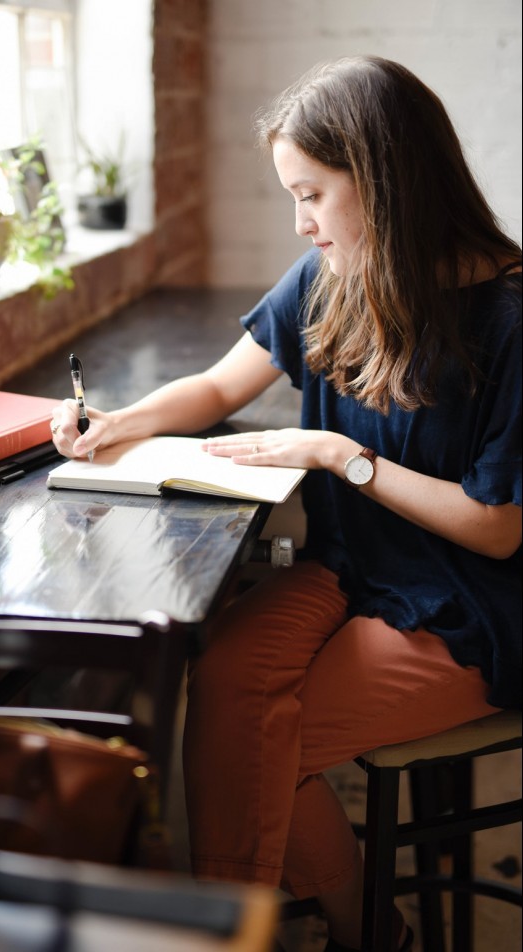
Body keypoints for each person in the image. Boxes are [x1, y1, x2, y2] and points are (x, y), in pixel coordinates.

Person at [51, 56, 521, 952]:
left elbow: (499, 531)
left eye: (311, 193)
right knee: (224, 674)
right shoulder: (333, 275)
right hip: (353, 568)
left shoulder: (510, 319)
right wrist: (116, 422)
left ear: (384, 184)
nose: (300, 222)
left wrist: (340, 456)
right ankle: (352, 929)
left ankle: (291, 933)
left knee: (259, 742)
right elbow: (218, 385)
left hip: (474, 603)